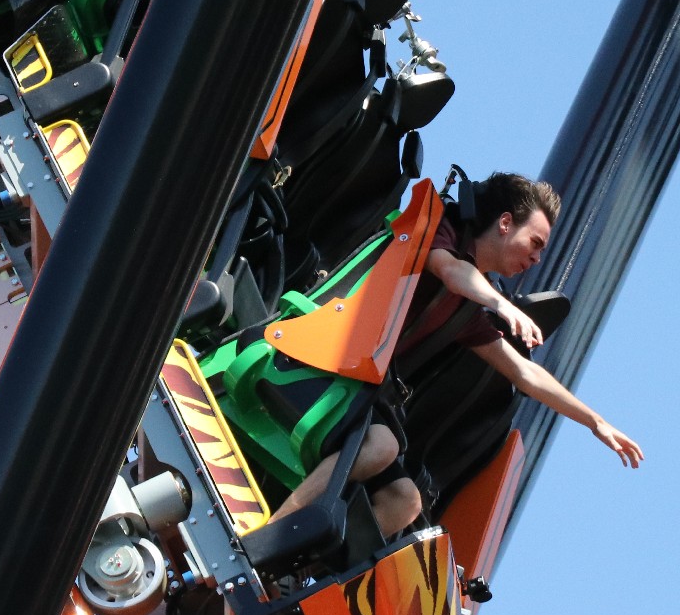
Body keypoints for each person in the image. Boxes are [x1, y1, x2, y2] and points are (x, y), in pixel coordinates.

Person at [269, 172, 642, 537]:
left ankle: (299, 564)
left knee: (405, 501)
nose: (537, 258)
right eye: (535, 243)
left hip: (351, 392)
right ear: (505, 223)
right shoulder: (439, 227)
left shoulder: (466, 311)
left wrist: (594, 421)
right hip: (311, 355)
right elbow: (449, 268)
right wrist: (501, 304)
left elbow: (524, 374)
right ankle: (274, 535)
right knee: (382, 445)